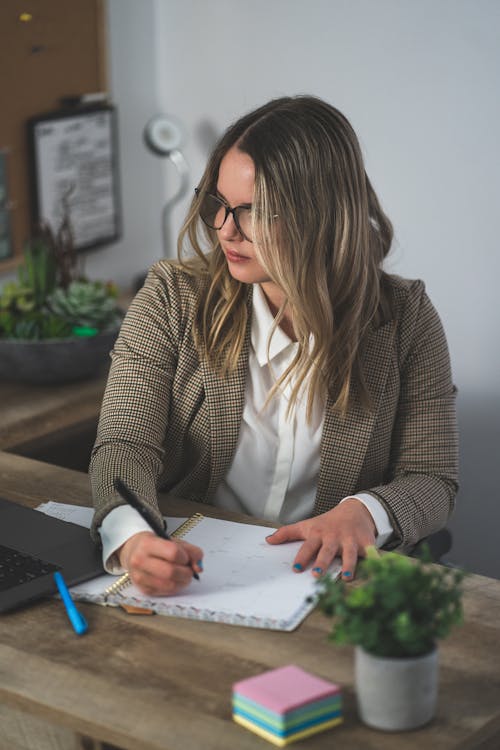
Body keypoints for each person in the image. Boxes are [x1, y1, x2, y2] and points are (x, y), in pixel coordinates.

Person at [90, 95, 458, 597]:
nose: (224, 229)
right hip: (195, 577)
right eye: (217, 203)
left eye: (252, 212)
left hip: (331, 588)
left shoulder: (404, 318)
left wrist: (367, 512)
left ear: (322, 214)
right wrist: (132, 538)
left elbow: (432, 478)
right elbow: (124, 444)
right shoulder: (172, 298)